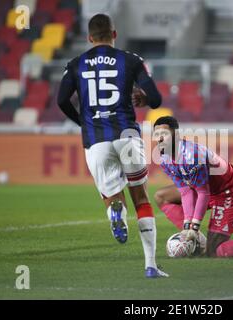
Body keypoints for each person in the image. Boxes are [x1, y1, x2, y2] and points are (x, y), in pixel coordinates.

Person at [57, 13, 168, 278]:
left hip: (95, 140)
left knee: (111, 196)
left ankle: (114, 212)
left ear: (89, 37)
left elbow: (62, 100)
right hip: (127, 134)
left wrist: (83, 122)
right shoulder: (131, 61)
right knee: (140, 198)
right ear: (114, 35)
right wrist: (142, 97)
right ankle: (151, 266)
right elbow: (155, 99)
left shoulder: (75, 64)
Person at [152, 116, 233, 259]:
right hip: (208, 189)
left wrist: (195, 226)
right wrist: (187, 227)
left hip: (228, 191)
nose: (160, 138)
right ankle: (195, 239)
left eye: (164, 134)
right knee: (161, 196)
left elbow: (203, 193)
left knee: (214, 251)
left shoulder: (192, 156)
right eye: (157, 134)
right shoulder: (164, 157)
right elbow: (185, 192)